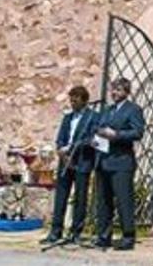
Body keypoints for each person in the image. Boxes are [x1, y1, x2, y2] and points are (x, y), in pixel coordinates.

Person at [88, 77, 145, 251]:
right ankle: (104, 236)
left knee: (123, 200)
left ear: (126, 92)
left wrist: (116, 134)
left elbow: (137, 132)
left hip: (121, 161)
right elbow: (97, 127)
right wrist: (96, 137)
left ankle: (128, 237)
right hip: (103, 160)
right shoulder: (107, 110)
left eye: (118, 90)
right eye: (113, 89)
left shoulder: (133, 109)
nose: (114, 93)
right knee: (103, 201)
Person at [41, 85, 98, 245]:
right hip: (65, 162)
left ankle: (76, 232)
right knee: (61, 197)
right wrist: (61, 151)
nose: (72, 103)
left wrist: (72, 148)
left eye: (76, 100)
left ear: (84, 101)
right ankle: (55, 231)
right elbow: (60, 138)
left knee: (80, 198)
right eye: (71, 100)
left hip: (82, 162)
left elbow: (91, 139)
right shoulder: (67, 118)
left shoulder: (92, 117)